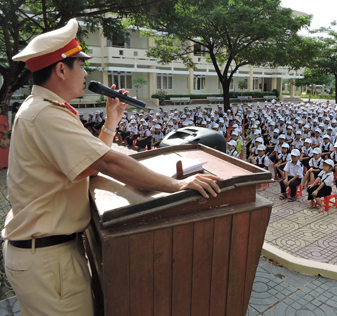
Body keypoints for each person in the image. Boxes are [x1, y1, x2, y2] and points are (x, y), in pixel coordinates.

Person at [4, 19, 222, 316]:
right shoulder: (45, 114)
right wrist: (175, 185)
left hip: (45, 252)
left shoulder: (41, 109)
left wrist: (111, 122)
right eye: (82, 66)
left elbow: (88, 163)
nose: (85, 74)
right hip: (47, 257)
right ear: (61, 69)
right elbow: (106, 162)